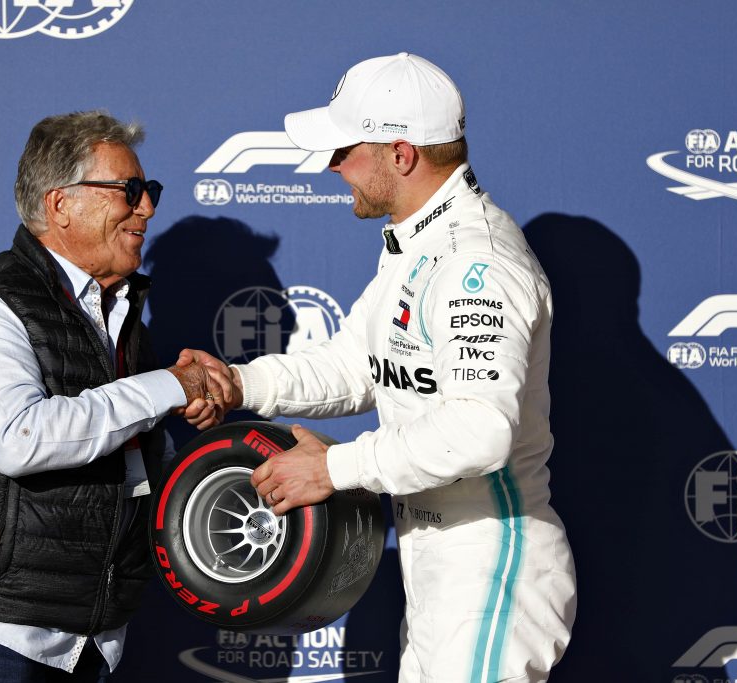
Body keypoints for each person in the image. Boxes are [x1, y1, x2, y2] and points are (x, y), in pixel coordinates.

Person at [180, 53, 577, 682]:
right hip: (442, 564)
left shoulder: (475, 263)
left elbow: (481, 429)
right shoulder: (416, 244)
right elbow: (357, 365)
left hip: (489, 561)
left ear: (402, 154)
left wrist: (333, 468)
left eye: (345, 150)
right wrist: (241, 383)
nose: (331, 165)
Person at [0, 111, 227, 682]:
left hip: (92, 638)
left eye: (149, 189)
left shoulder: (121, 314)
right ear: (60, 205)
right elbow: (20, 439)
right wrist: (166, 387)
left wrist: (176, 430)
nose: (147, 208)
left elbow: (118, 450)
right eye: (129, 190)